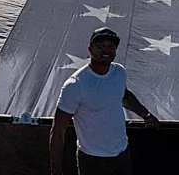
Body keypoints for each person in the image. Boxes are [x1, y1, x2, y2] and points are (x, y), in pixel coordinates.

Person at [50, 28, 159, 175]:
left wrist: (146, 115)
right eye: (100, 47)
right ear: (90, 49)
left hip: (122, 153)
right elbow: (58, 130)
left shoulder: (119, 72)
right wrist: (56, 169)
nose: (106, 51)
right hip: (93, 160)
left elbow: (124, 96)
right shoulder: (76, 85)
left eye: (110, 47)